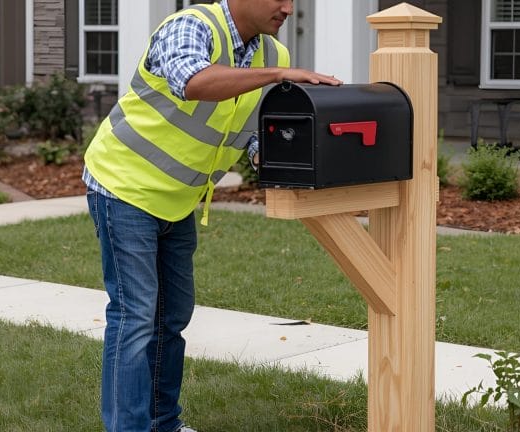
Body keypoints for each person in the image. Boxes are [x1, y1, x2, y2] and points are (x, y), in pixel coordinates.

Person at [82, 1, 342, 431]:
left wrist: (293, 161)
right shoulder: (191, 26)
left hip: (178, 198)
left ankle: (163, 423)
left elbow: (252, 132)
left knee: (172, 317)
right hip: (124, 185)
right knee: (135, 315)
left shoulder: (273, 54)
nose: (289, 8)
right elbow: (193, 82)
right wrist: (277, 78)